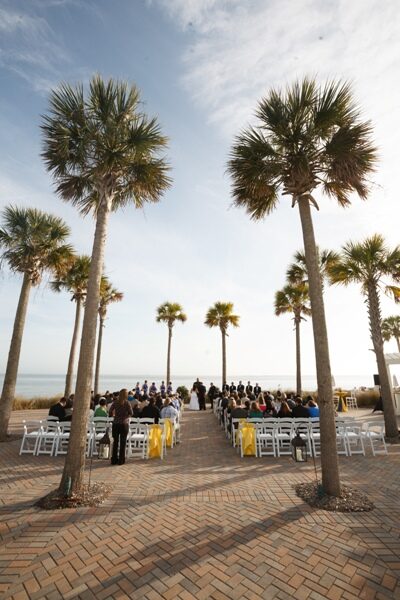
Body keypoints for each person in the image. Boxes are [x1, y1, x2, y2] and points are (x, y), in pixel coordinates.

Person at [108, 388, 133, 465]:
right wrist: (126, 416)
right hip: (124, 424)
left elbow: (110, 412)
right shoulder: (127, 403)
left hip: (116, 424)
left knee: (115, 442)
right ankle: (121, 460)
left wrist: (114, 415)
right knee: (123, 443)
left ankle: (114, 459)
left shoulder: (115, 402)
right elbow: (131, 413)